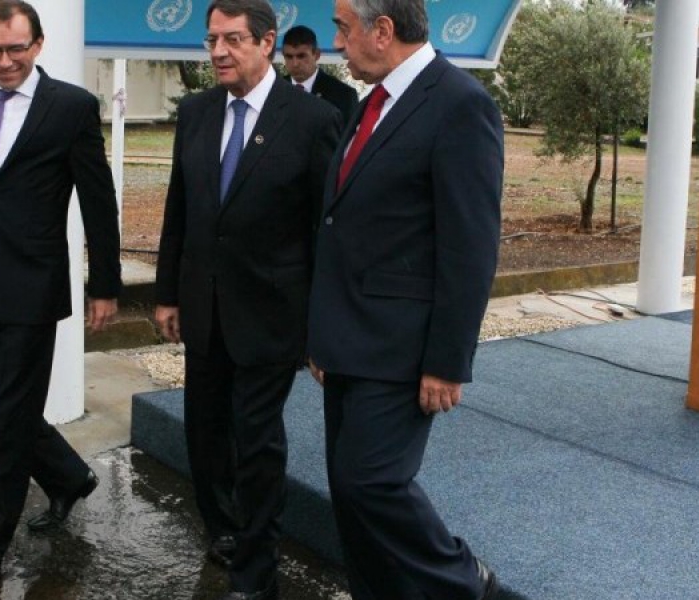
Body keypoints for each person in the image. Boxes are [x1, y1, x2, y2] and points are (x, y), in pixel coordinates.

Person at [306, 0, 504, 598]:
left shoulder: (460, 104)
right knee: (348, 493)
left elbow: (470, 247)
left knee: (372, 482)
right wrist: (322, 335)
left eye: (343, 29)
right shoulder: (370, 104)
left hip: (403, 347)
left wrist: (448, 360)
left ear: (382, 31)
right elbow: (341, 224)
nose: (336, 42)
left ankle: (465, 581)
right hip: (347, 340)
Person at [0, 0, 121, 597]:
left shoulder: (71, 107)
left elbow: (98, 201)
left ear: (37, 44)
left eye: (15, 48)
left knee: (6, 426)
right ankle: (68, 476)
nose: (4, 61)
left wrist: (105, 284)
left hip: (33, 289)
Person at [154, 1, 339, 598]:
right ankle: (225, 532)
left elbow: (324, 231)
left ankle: (256, 573)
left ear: (267, 43)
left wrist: (321, 327)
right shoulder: (196, 113)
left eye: (232, 39)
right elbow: (180, 209)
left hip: (271, 316)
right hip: (203, 312)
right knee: (205, 437)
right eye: (212, 39)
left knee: (256, 443)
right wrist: (167, 293)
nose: (219, 52)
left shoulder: (311, 120)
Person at [281, 25, 358, 122]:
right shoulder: (273, 90)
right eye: (289, 57)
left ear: (317, 55)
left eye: (301, 56)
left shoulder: (343, 95)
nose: (295, 64)